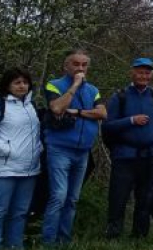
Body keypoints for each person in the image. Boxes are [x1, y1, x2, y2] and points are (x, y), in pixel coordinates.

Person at [42, 49, 106, 245]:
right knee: (59, 197)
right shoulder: (54, 85)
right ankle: (48, 242)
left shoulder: (93, 90)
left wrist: (77, 112)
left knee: (73, 199)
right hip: (60, 149)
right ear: (66, 66)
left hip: (83, 151)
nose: (80, 68)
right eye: (76, 64)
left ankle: (64, 240)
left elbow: (102, 113)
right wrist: (75, 85)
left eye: (84, 65)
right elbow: (57, 108)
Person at [0, 67, 43, 250]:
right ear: (8, 85)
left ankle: (14, 246)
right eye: (17, 82)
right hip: (2, 170)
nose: (22, 86)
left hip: (29, 170)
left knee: (20, 213)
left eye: (25, 82)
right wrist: (8, 150)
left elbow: (34, 136)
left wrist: (38, 149)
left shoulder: (31, 107)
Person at [103, 57, 153, 239]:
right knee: (118, 198)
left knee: (145, 199)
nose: (143, 76)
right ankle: (113, 235)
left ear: (151, 75)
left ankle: (139, 237)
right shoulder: (120, 96)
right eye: (140, 72)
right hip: (124, 156)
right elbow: (107, 126)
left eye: (147, 72)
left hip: (149, 157)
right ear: (132, 72)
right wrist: (131, 121)